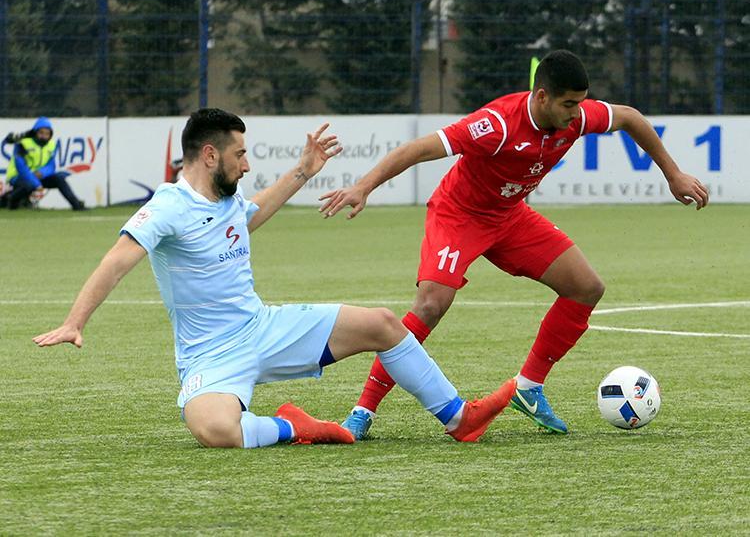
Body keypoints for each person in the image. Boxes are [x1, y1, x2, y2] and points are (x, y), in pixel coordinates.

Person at [33, 108, 516, 449]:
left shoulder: (225, 200)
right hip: (210, 355)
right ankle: (295, 427)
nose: (246, 165)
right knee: (216, 431)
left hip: (263, 329)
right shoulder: (168, 207)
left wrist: (302, 172)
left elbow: (250, 215)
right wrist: (75, 321)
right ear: (209, 155)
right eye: (239, 155)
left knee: (384, 324)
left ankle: (459, 418)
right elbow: (117, 260)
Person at [320, 49, 709, 439]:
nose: (576, 113)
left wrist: (673, 174)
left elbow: (629, 117)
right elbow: (418, 149)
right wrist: (363, 187)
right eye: (568, 104)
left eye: (581, 103)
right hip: (459, 215)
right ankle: (363, 410)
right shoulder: (497, 124)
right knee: (431, 304)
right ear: (542, 97)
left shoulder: (577, 116)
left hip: (509, 216)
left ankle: (529, 387)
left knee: (586, 287)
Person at [4, 117, 85, 210]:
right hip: (17, 176)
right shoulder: (23, 143)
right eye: (41, 133)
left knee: (59, 179)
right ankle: (12, 200)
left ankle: (77, 205)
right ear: (35, 132)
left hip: (37, 176)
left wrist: (42, 172)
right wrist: (36, 183)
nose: (44, 136)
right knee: (30, 185)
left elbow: (51, 165)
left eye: (47, 133)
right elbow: (21, 167)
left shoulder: (51, 145)